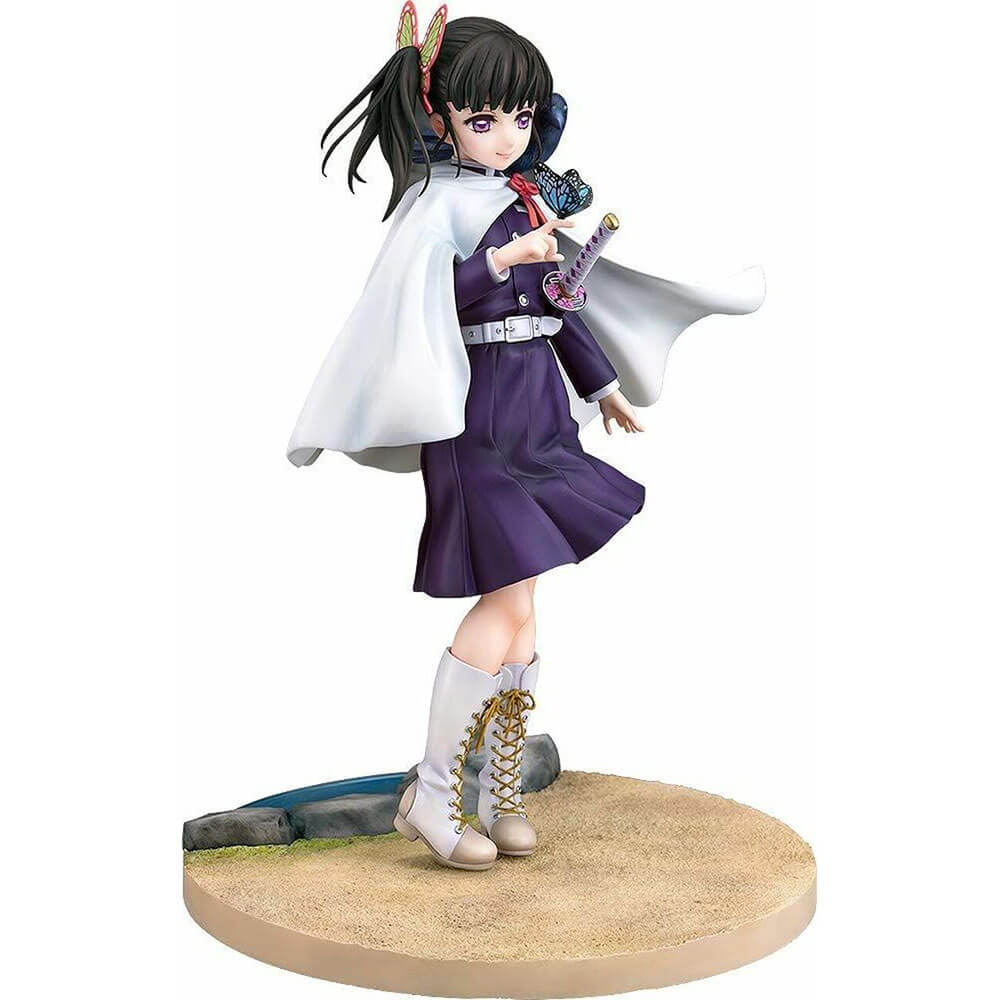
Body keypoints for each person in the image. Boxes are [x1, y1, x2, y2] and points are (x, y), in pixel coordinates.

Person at [287, 5, 764, 871]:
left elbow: (558, 301)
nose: (506, 136)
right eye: (484, 119)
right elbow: (418, 301)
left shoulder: (519, 199)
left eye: (520, 116)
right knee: (503, 601)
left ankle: (497, 789)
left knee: (525, 599)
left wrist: (603, 385)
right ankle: (434, 793)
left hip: (538, 408)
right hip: (478, 419)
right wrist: (499, 263)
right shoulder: (434, 207)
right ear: (440, 118)